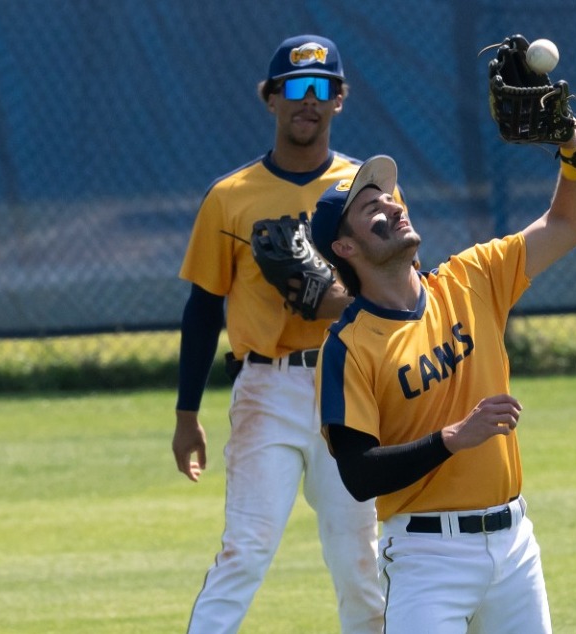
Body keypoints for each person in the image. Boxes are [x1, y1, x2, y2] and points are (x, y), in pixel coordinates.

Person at [309, 127, 576, 633]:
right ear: (345, 246)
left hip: (513, 546)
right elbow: (358, 474)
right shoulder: (348, 347)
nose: (393, 207)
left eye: (391, 198)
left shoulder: (472, 278)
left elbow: (573, 220)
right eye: (370, 208)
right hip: (425, 557)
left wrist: (573, 151)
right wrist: (451, 440)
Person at [172, 34, 400, 634]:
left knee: (359, 561)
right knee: (244, 549)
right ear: (270, 99)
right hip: (267, 388)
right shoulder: (230, 198)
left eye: (323, 88)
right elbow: (202, 309)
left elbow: (399, 292)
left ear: (340, 100)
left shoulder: (367, 188)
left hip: (350, 385)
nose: (309, 100)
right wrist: (185, 412)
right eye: (295, 87)